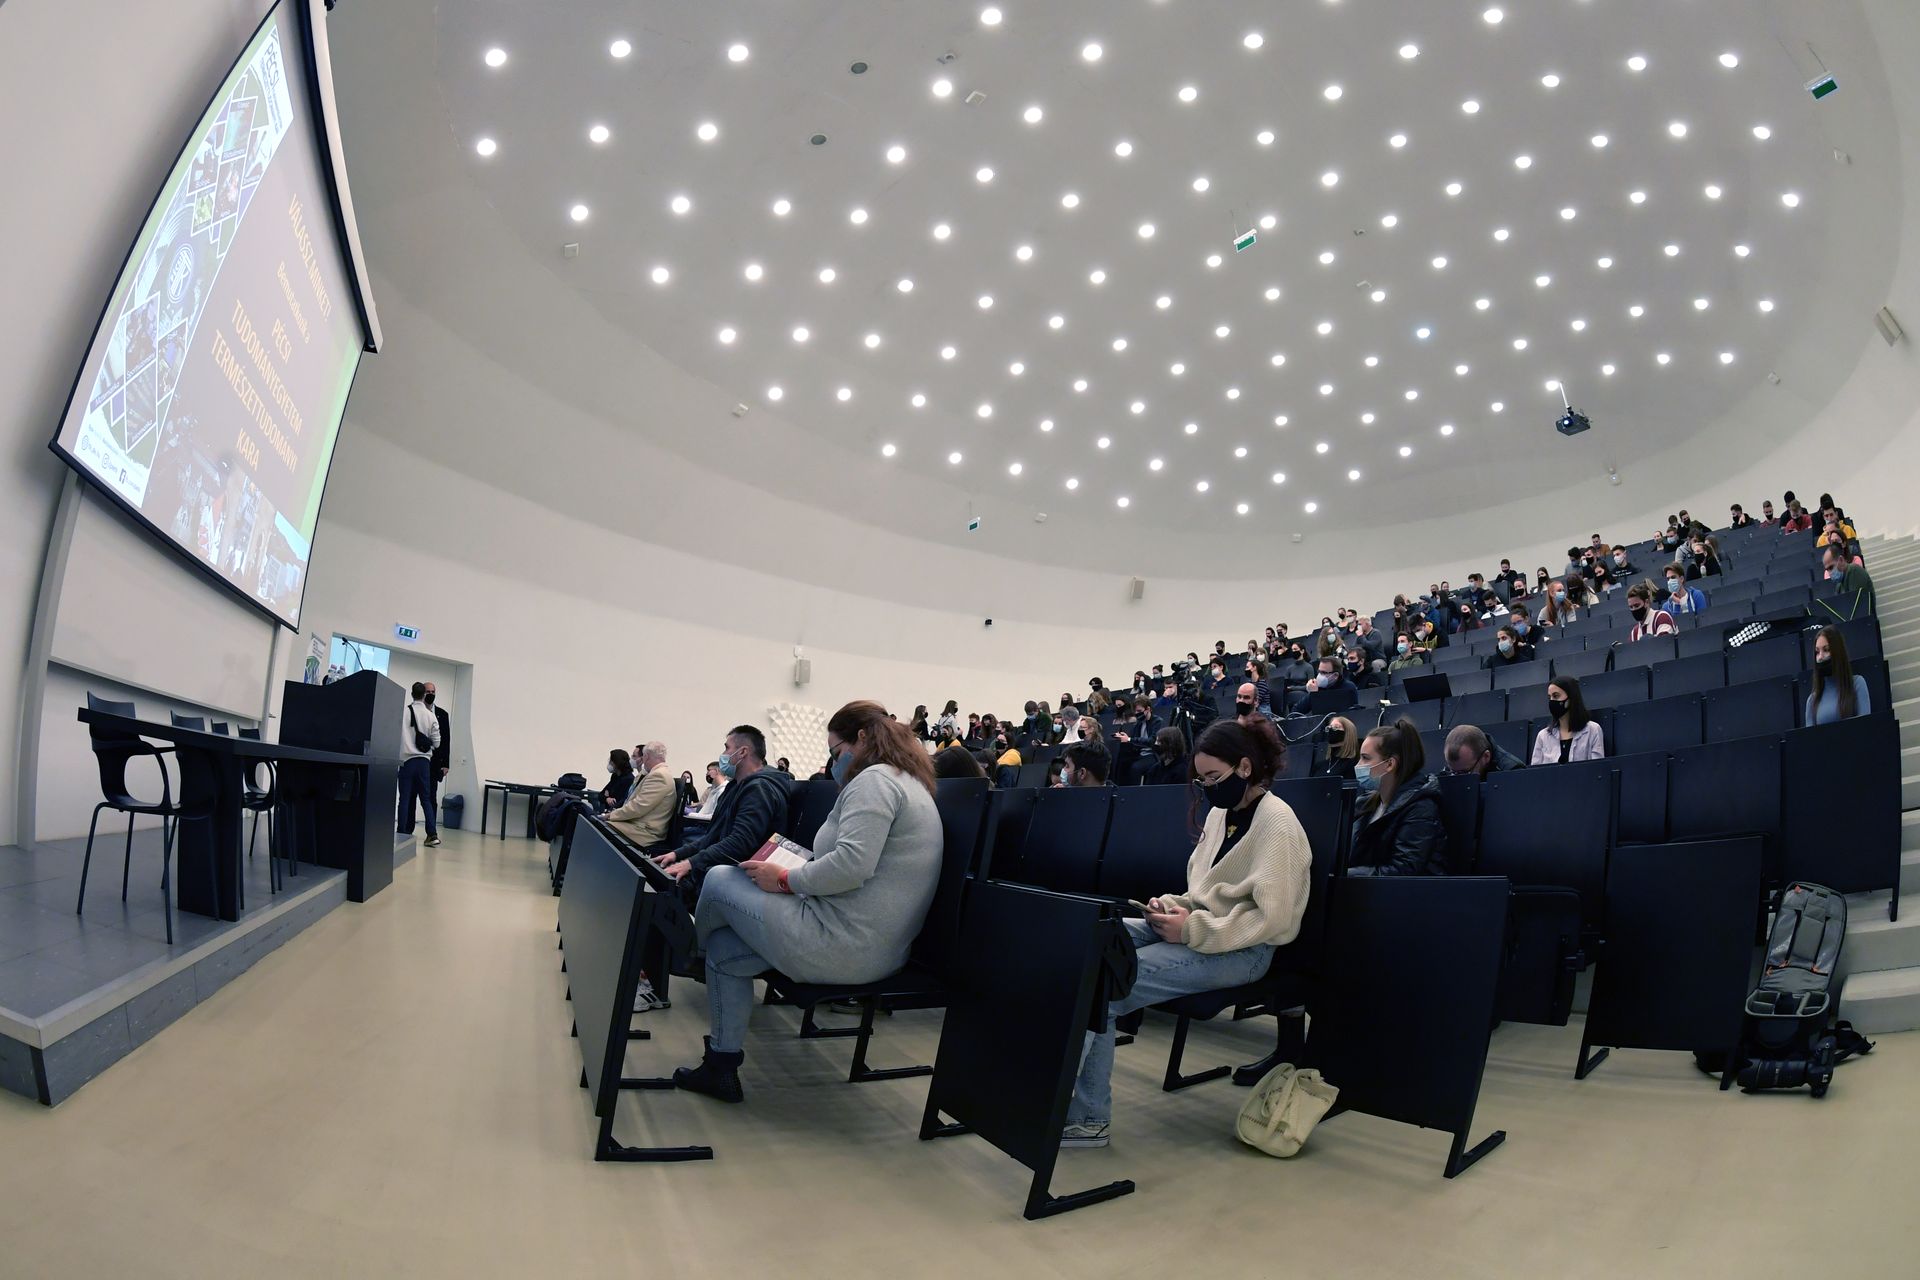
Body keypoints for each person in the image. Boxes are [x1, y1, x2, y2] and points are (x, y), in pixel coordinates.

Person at [674, 702, 942, 1104]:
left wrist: (785, 879)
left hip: (843, 943)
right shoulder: (906, 781)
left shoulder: (875, 781)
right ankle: (720, 1068)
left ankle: (689, 954)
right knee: (726, 952)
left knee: (719, 878)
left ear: (862, 739)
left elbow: (851, 866)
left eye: (836, 751)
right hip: (872, 945)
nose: (834, 762)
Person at [1061, 718, 1311, 1148]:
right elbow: (1203, 893)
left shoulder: (1278, 824)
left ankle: (1085, 1117)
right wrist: (1171, 907)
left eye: (1213, 777)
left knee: (1106, 981)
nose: (1207, 787)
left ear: (1245, 768)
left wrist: (1191, 928)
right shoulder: (1220, 814)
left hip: (1245, 949)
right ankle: (1069, 1104)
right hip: (1203, 932)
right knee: (1091, 940)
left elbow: (1273, 920)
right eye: (1202, 779)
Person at [656, 726, 792, 890]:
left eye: (727, 748)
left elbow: (740, 842)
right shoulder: (735, 787)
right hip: (723, 865)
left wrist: (691, 863)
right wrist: (678, 854)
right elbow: (713, 836)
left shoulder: (759, 789)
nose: (723, 754)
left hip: (742, 873)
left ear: (742, 752)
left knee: (667, 887)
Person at [1348, 719, 1446, 876]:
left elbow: (1404, 869)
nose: (1358, 765)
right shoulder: (1365, 803)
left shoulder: (1421, 807)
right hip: (1363, 886)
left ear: (1390, 764)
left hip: (1407, 890)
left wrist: (1346, 874)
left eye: (1365, 758)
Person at [397, 681, 442, 847]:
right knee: (426, 799)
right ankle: (432, 834)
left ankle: (401, 833)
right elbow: (437, 743)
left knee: (404, 799)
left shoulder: (403, 712)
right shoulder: (430, 716)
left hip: (406, 762)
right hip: (424, 763)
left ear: (412, 694)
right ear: (424, 695)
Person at [607, 742, 676, 849]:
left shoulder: (659, 775)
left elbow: (638, 807)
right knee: (599, 824)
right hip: (638, 825)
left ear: (646, 756)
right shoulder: (653, 773)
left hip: (644, 831)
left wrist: (611, 815)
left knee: (598, 826)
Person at [1806, 626, 1871, 725]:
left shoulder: (1857, 684)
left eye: (1826, 650)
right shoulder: (1812, 700)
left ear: (1837, 652)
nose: (1820, 657)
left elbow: (1866, 725)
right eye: (1817, 652)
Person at [1531, 679, 1605, 764]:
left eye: (1556, 696)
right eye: (1549, 697)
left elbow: (1597, 767)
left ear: (1571, 698)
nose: (1552, 701)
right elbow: (1535, 769)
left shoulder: (1593, 730)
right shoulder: (1543, 736)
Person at [1444, 724, 1525, 777]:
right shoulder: (1459, 765)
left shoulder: (1513, 772)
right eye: (1453, 772)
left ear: (1486, 757)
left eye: (1465, 773)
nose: (1458, 778)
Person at [424, 681, 451, 829]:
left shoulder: (442, 714)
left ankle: (431, 830)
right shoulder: (415, 712)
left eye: (433, 692)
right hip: (418, 759)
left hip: (434, 763)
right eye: (428, 692)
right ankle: (406, 831)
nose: (430, 694)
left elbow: (446, 740)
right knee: (412, 796)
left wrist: (445, 763)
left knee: (431, 797)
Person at [1316, 716, 1359, 780]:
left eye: (1336, 727)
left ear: (1348, 733)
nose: (1331, 730)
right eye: (1329, 728)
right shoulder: (1319, 765)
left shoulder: (1353, 764)